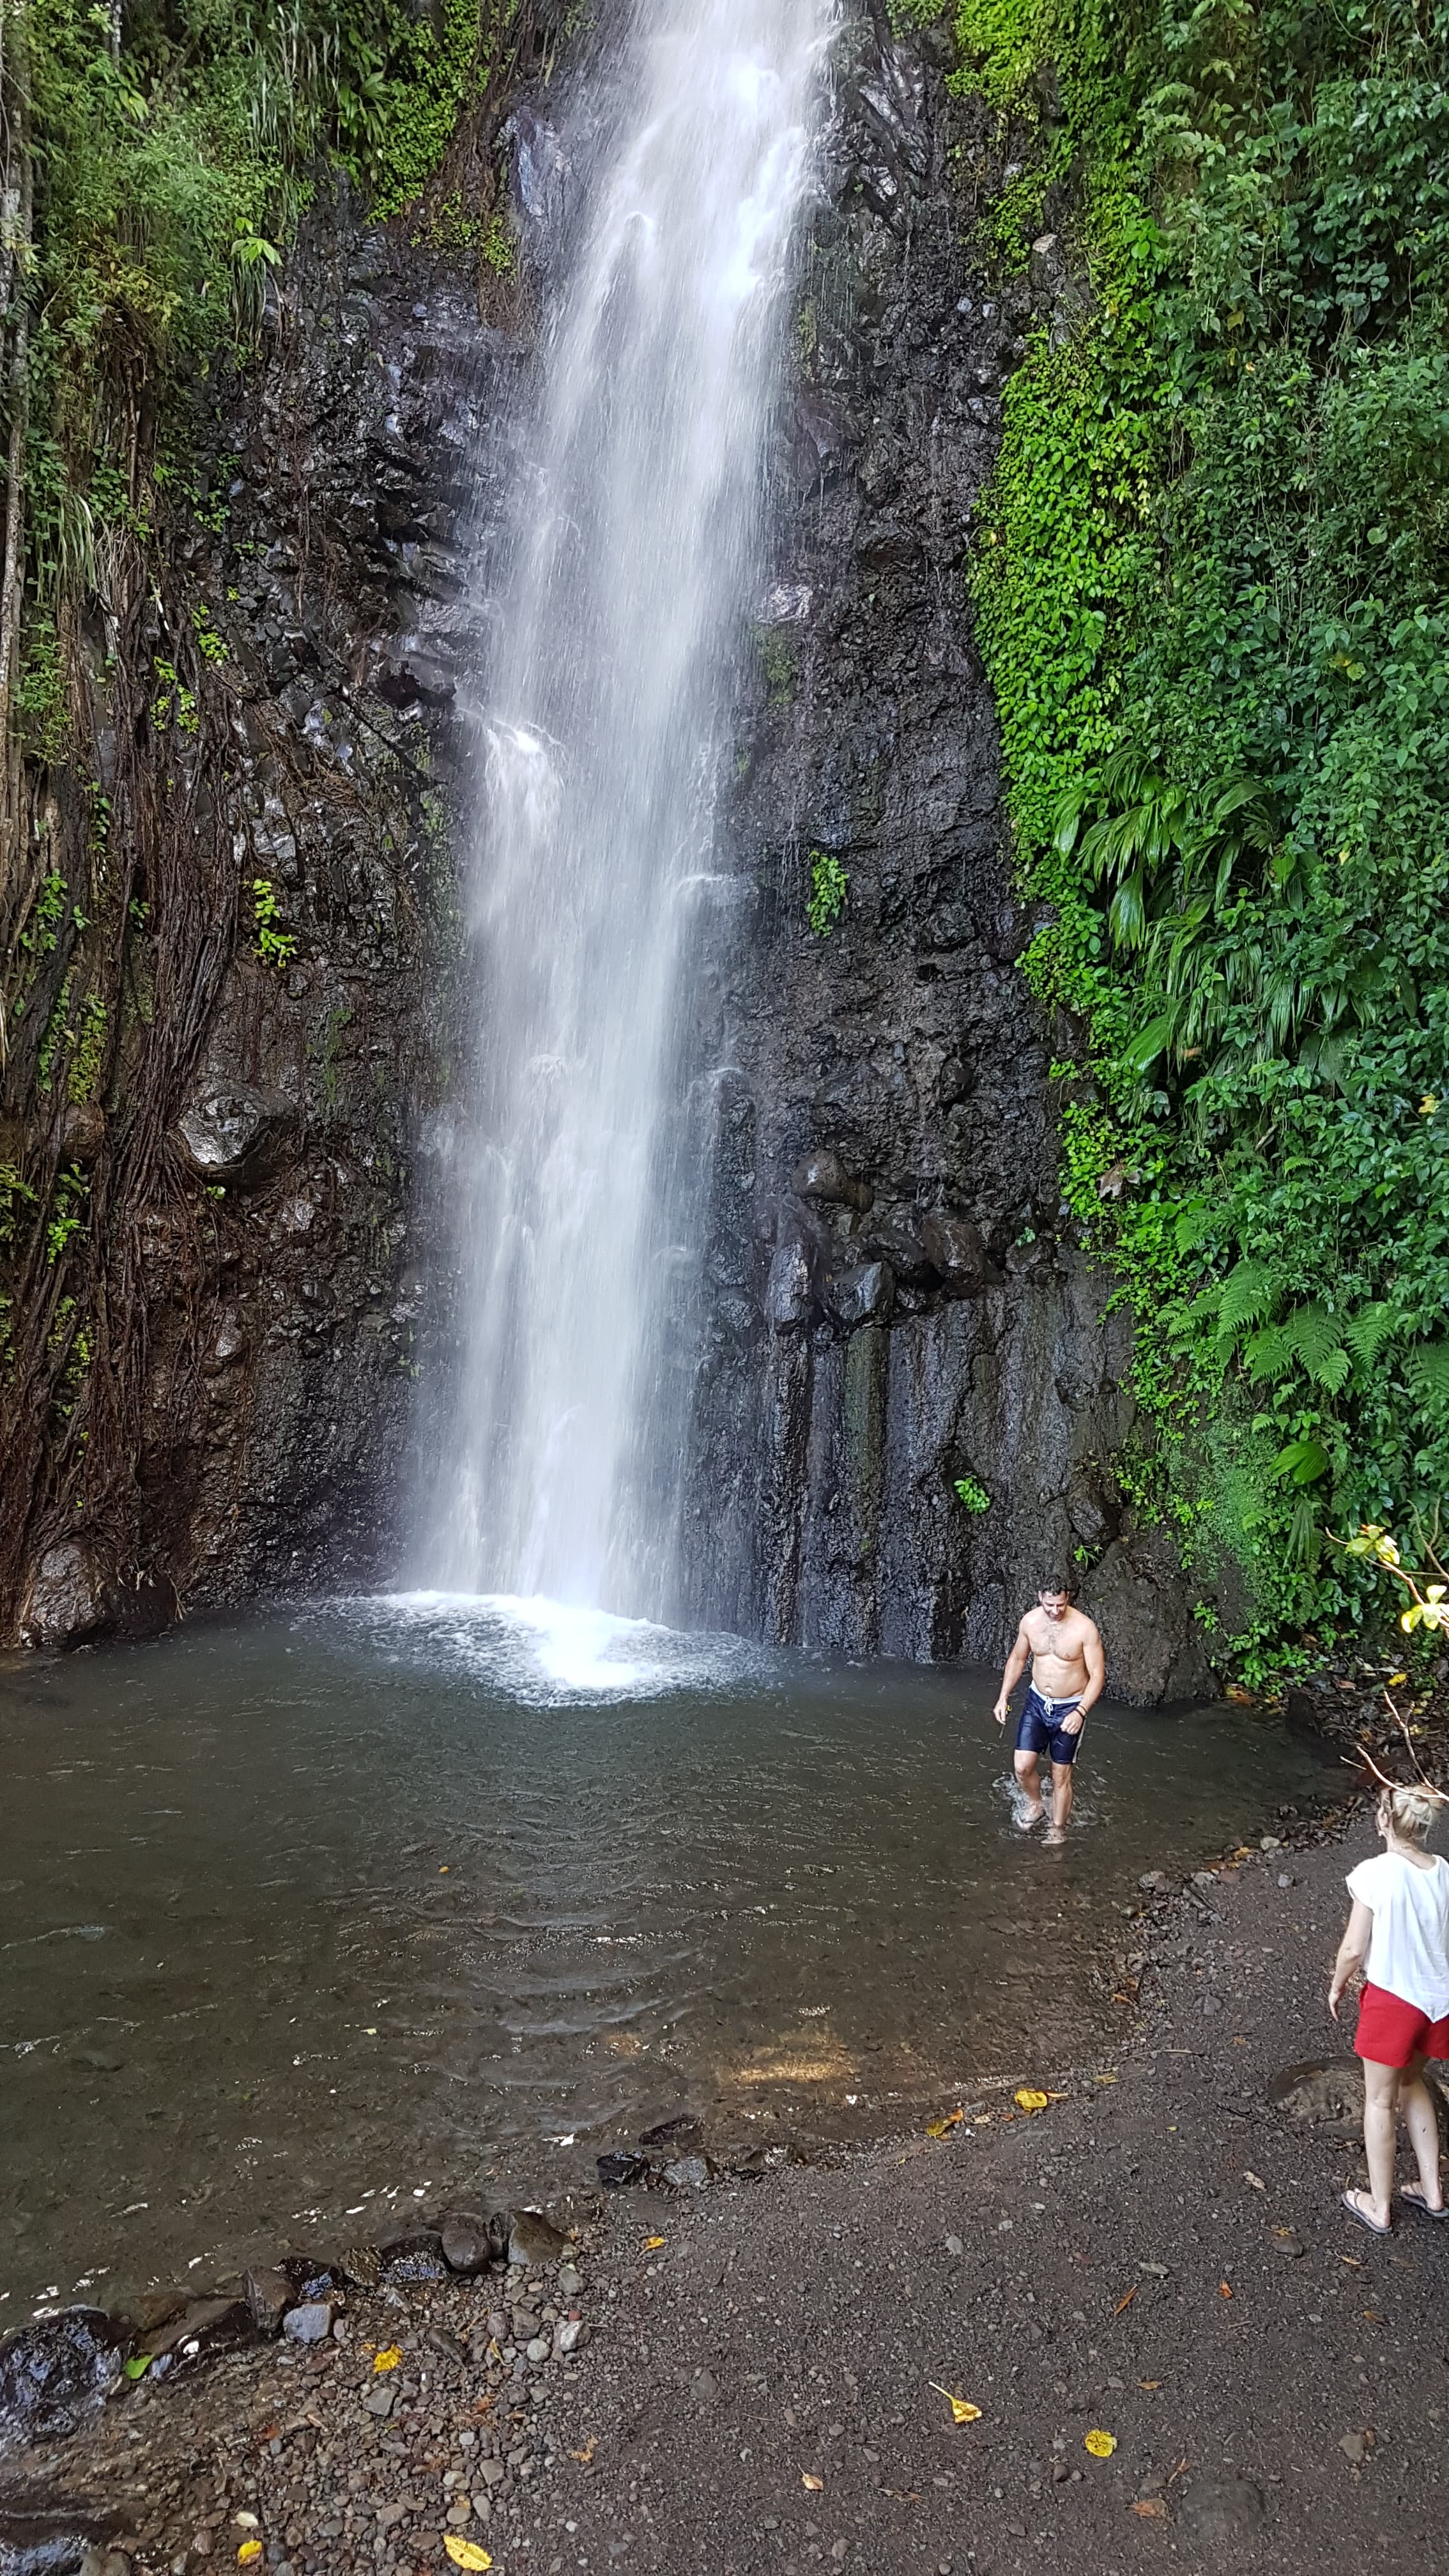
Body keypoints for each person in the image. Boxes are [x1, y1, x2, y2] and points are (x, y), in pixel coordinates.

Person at [1330, 1781, 1449, 2235]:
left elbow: (1353, 1948)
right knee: (1415, 2082)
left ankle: (1379, 2206)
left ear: (1384, 1821)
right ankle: (1432, 2190)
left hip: (1394, 2001)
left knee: (1379, 2101)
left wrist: (1338, 1986)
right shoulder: (1442, 1870)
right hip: (1437, 2002)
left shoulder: (1374, 1872)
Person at [992, 1577, 1106, 1844]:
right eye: (1049, 1604)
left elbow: (1098, 1675)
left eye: (1061, 1604)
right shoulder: (1030, 1623)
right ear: (1039, 1597)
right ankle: (1035, 1803)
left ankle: (1058, 1827)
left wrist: (1080, 1712)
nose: (1055, 1610)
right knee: (1022, 1767)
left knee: (1060, 1773)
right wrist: (1003, 1697)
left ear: (1068, 1598)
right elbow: (1018, 1659)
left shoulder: (1084, 1628)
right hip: (1037, 1701)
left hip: (1070, 1706)